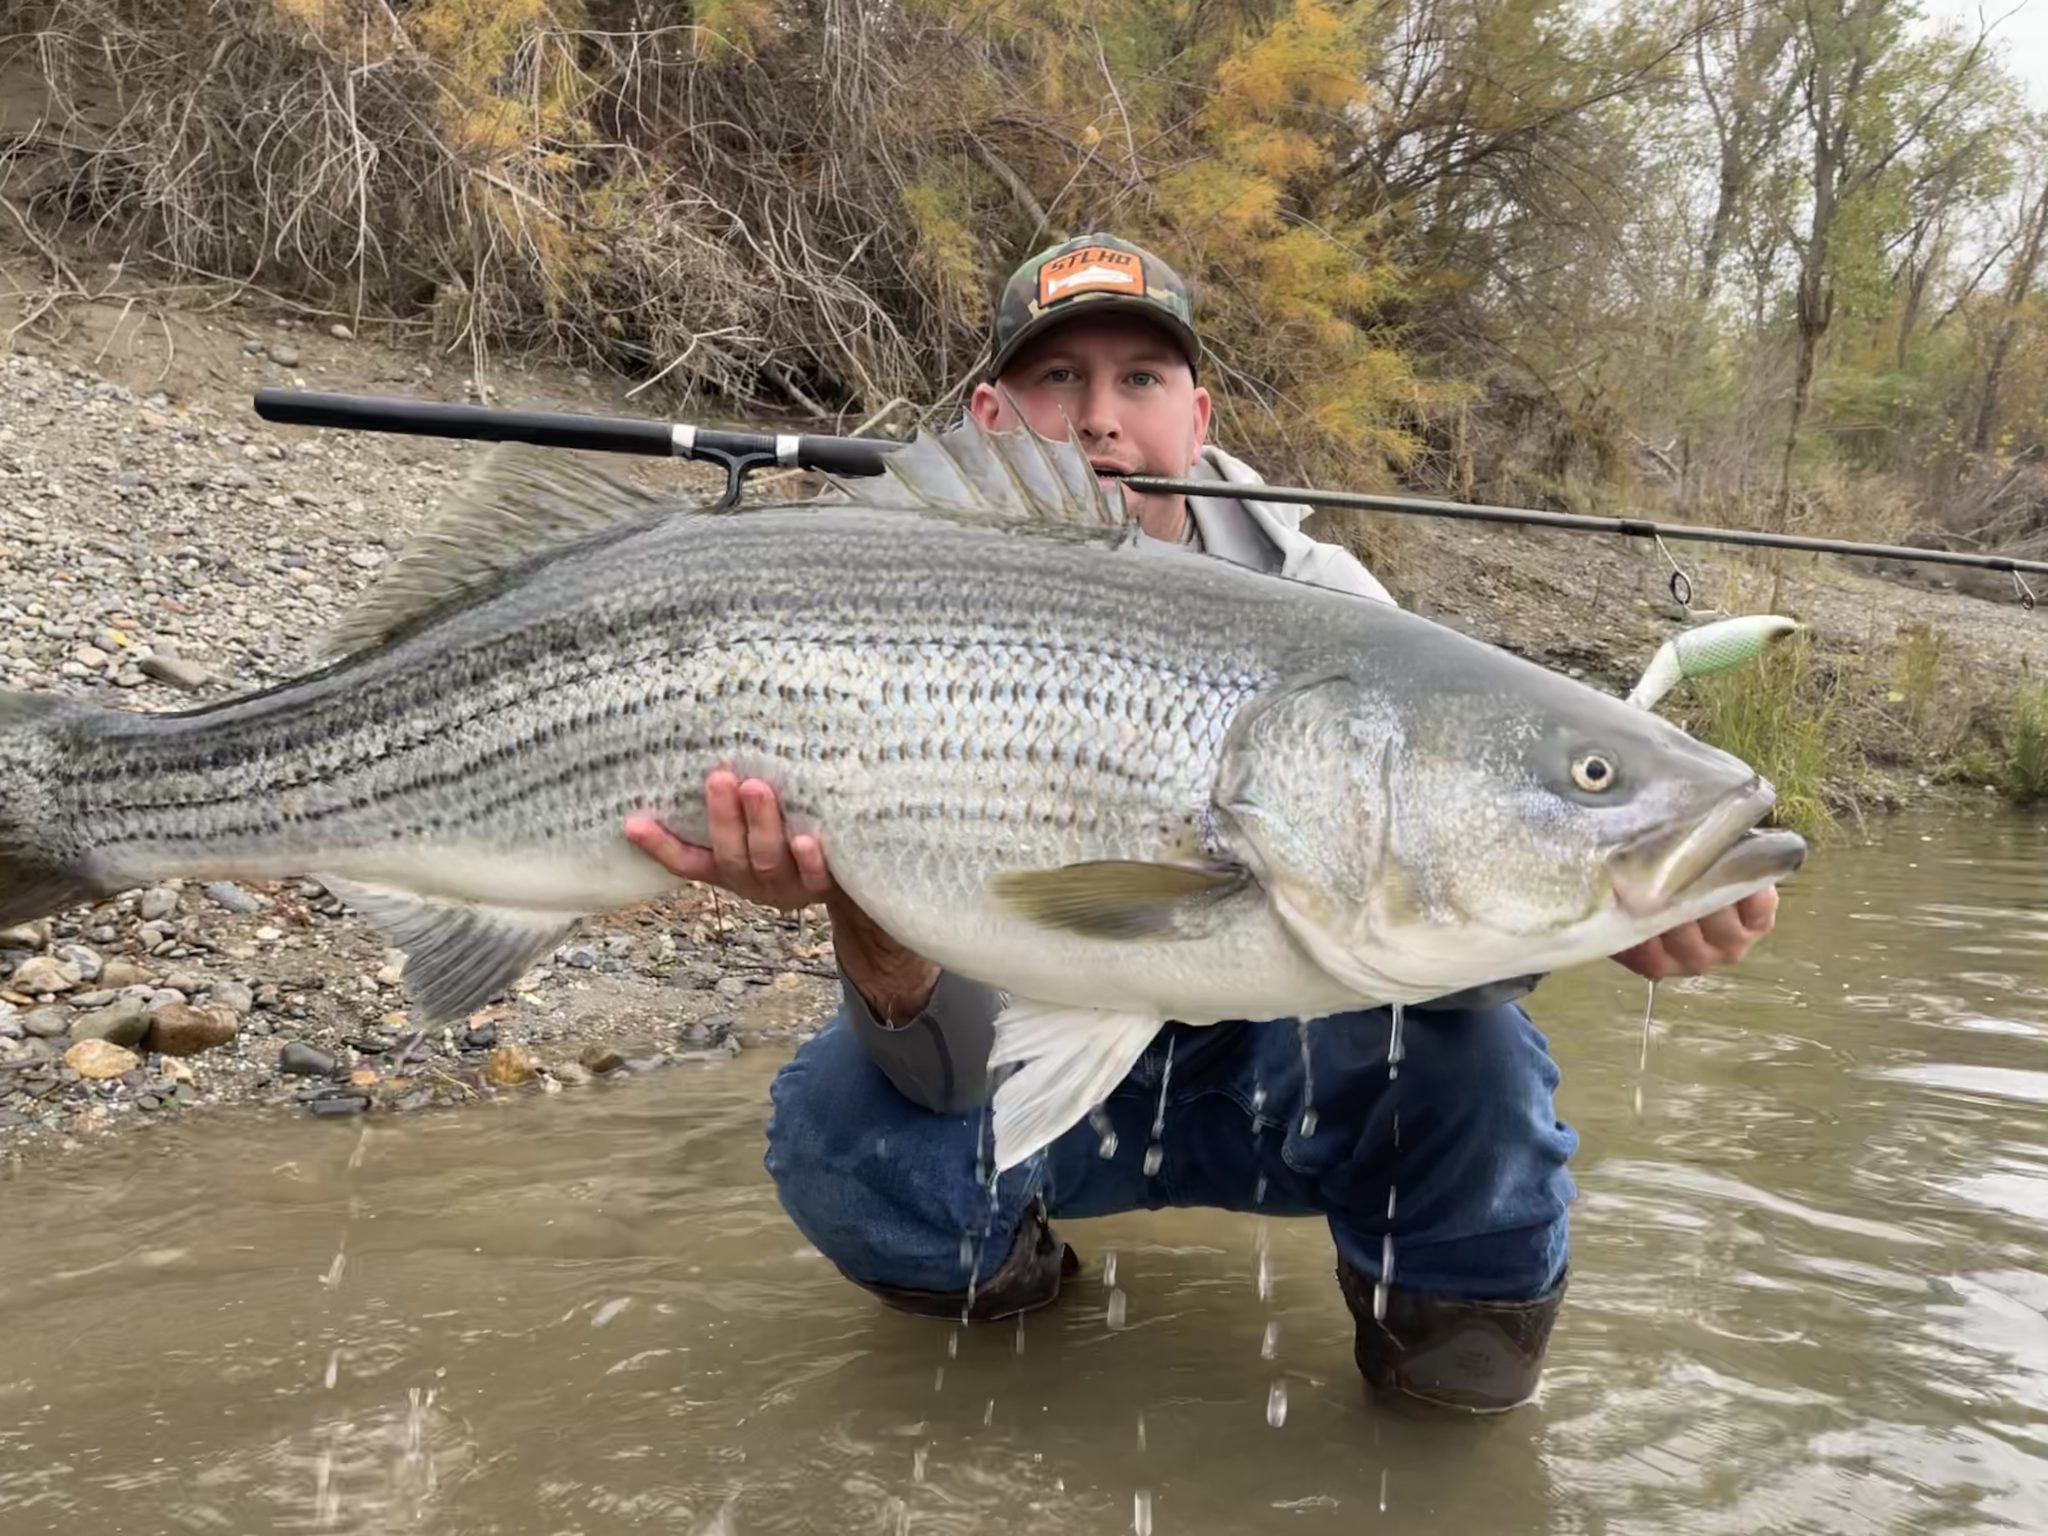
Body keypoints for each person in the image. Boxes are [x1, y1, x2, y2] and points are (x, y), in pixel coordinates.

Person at [623, 234, 1778, 1412]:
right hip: (1019, 1022)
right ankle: (1008, 1322)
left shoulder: (1333, 614)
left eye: (1139, 379)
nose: (1098, 418)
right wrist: (864, 917)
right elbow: (938, 1058)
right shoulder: (892, 589)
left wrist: (1597, 914)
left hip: (1287, 1058)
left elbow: (1441, 939)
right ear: (987, 414)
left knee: (1479, 1068)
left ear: (1196, 409)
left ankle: (1448, 1400)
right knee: (843, 1125)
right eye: (1056, 379)